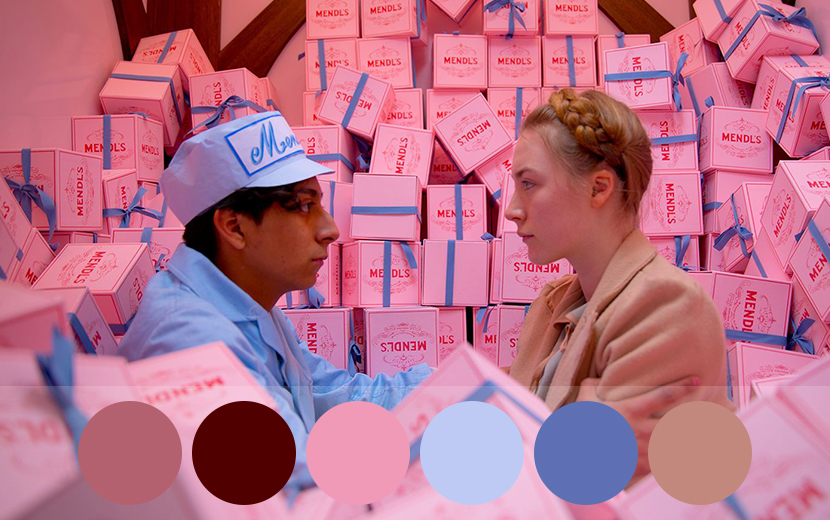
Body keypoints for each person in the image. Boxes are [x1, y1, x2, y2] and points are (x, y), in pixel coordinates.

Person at [117, 112, 432, 486]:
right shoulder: (188, 339)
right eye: (303, 206)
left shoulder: (253, 306)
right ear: (234, 227)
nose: (330, 229)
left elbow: (337, 396)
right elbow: (293, 482)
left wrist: (462, 386)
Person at [505, 89, 732, 482]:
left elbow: (595, 484)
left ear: (599, 188)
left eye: (529, 184)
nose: (512, 209)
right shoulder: (552, 305)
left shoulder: (667, 308)